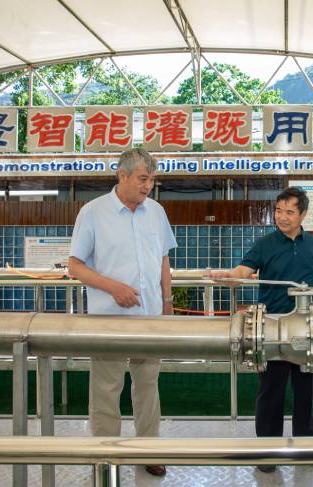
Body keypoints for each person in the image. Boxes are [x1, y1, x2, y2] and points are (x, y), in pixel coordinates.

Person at [209, 187, 313, 473]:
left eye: (290, 212)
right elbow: (243, 271)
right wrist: (228, 277)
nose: (282, 217)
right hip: (272, 331)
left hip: (307, 331)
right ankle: (267, 454)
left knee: (305, 393)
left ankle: (306, 450)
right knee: (270, 393)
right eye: (278, 211)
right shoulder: (265, 244)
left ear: (303, 214)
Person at [68, 148, 176, 478]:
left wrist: (167, 301)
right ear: (122, 175)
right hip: (108, 318)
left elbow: (163, 259)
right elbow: (75, 266)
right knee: (106, 389)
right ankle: (106, 453)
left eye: (152, 180)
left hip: (149, 317)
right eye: (143, 179)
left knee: (148, 386)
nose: (148, 186)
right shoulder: (93, 212)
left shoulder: (156, 212)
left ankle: (149, 450)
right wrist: (113, 287)